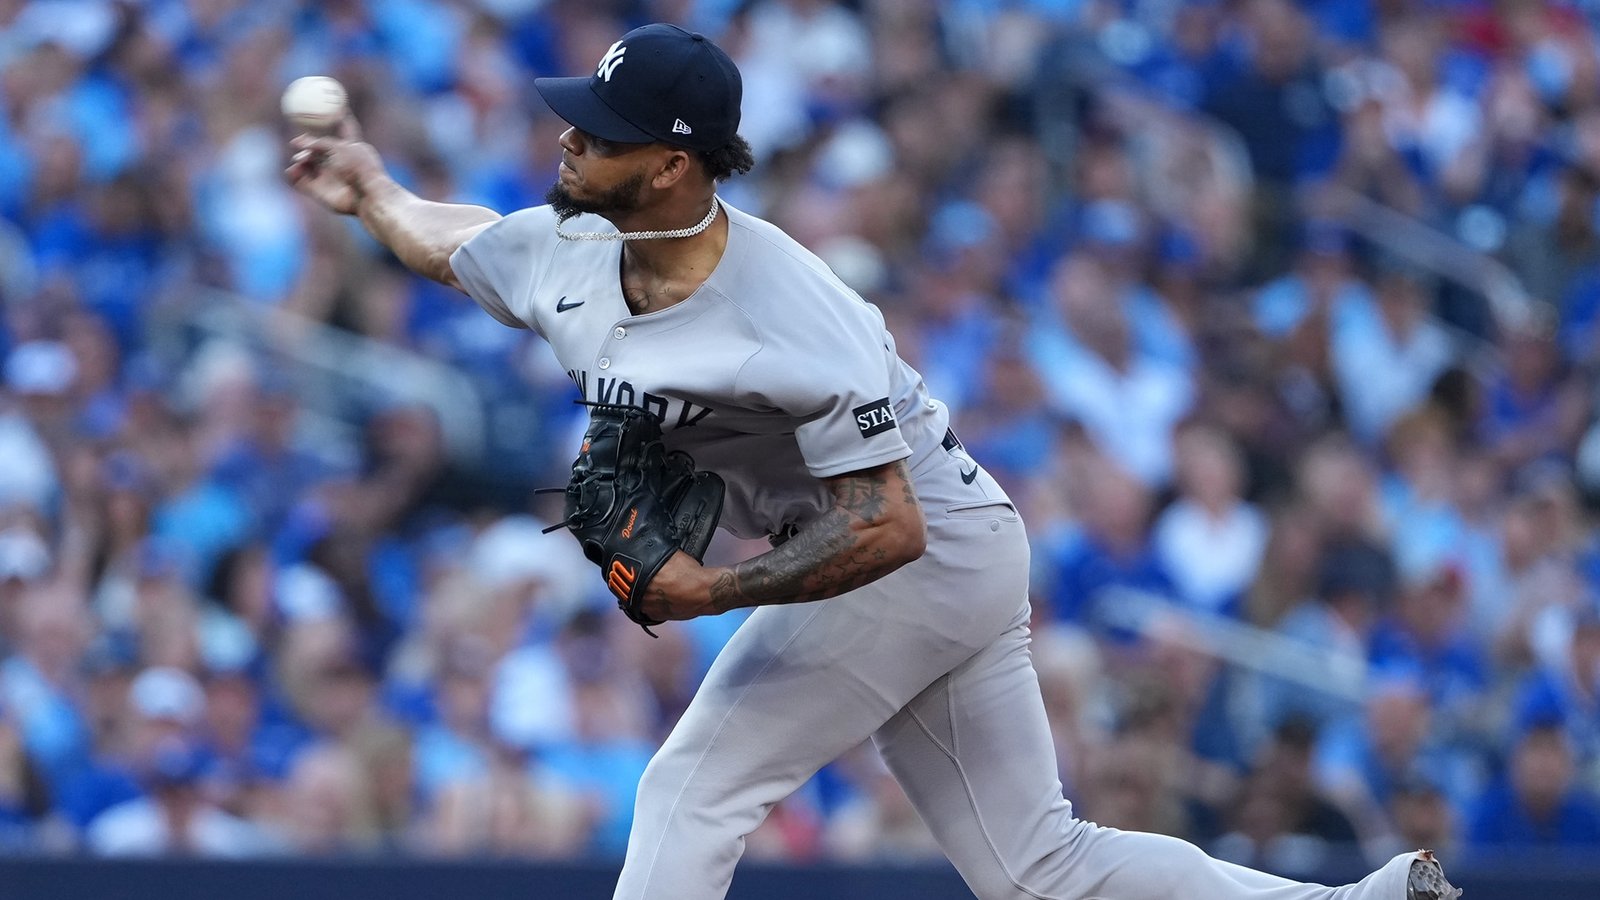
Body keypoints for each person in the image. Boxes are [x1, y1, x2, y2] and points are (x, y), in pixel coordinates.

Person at [285, 21, 1459, 900]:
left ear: (675, 166)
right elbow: (456, 244)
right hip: (955, 544)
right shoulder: (574, 243)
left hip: (921, 549)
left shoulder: (789, 311)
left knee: (690, 787)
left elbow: (885, 525)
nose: (568, 135)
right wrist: (370, 189)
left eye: (602, 130)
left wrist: (716, 590)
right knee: (1035, 866)